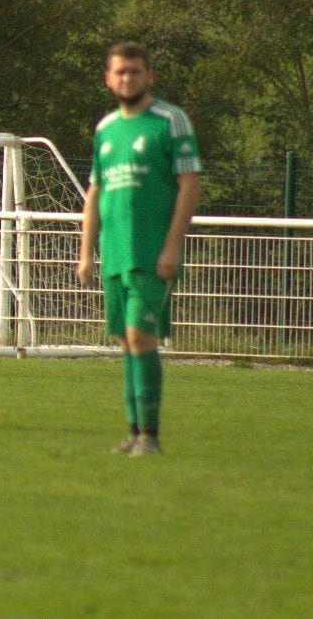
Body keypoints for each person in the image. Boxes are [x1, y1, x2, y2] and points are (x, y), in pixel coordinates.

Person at [77, 42, 201, 456]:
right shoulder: (106, 128)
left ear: (149, 75)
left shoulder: (170, 120)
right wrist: (85, 252)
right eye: (120, 72)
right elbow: (95, 193)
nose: (127, 78)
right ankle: (133, 432)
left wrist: (172, 247)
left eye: (134, 72)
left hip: (152, 253)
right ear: (108, 79)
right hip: (115, 253)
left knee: (140, 336)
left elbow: (190, 184)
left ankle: (150, 436)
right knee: (126, 343)